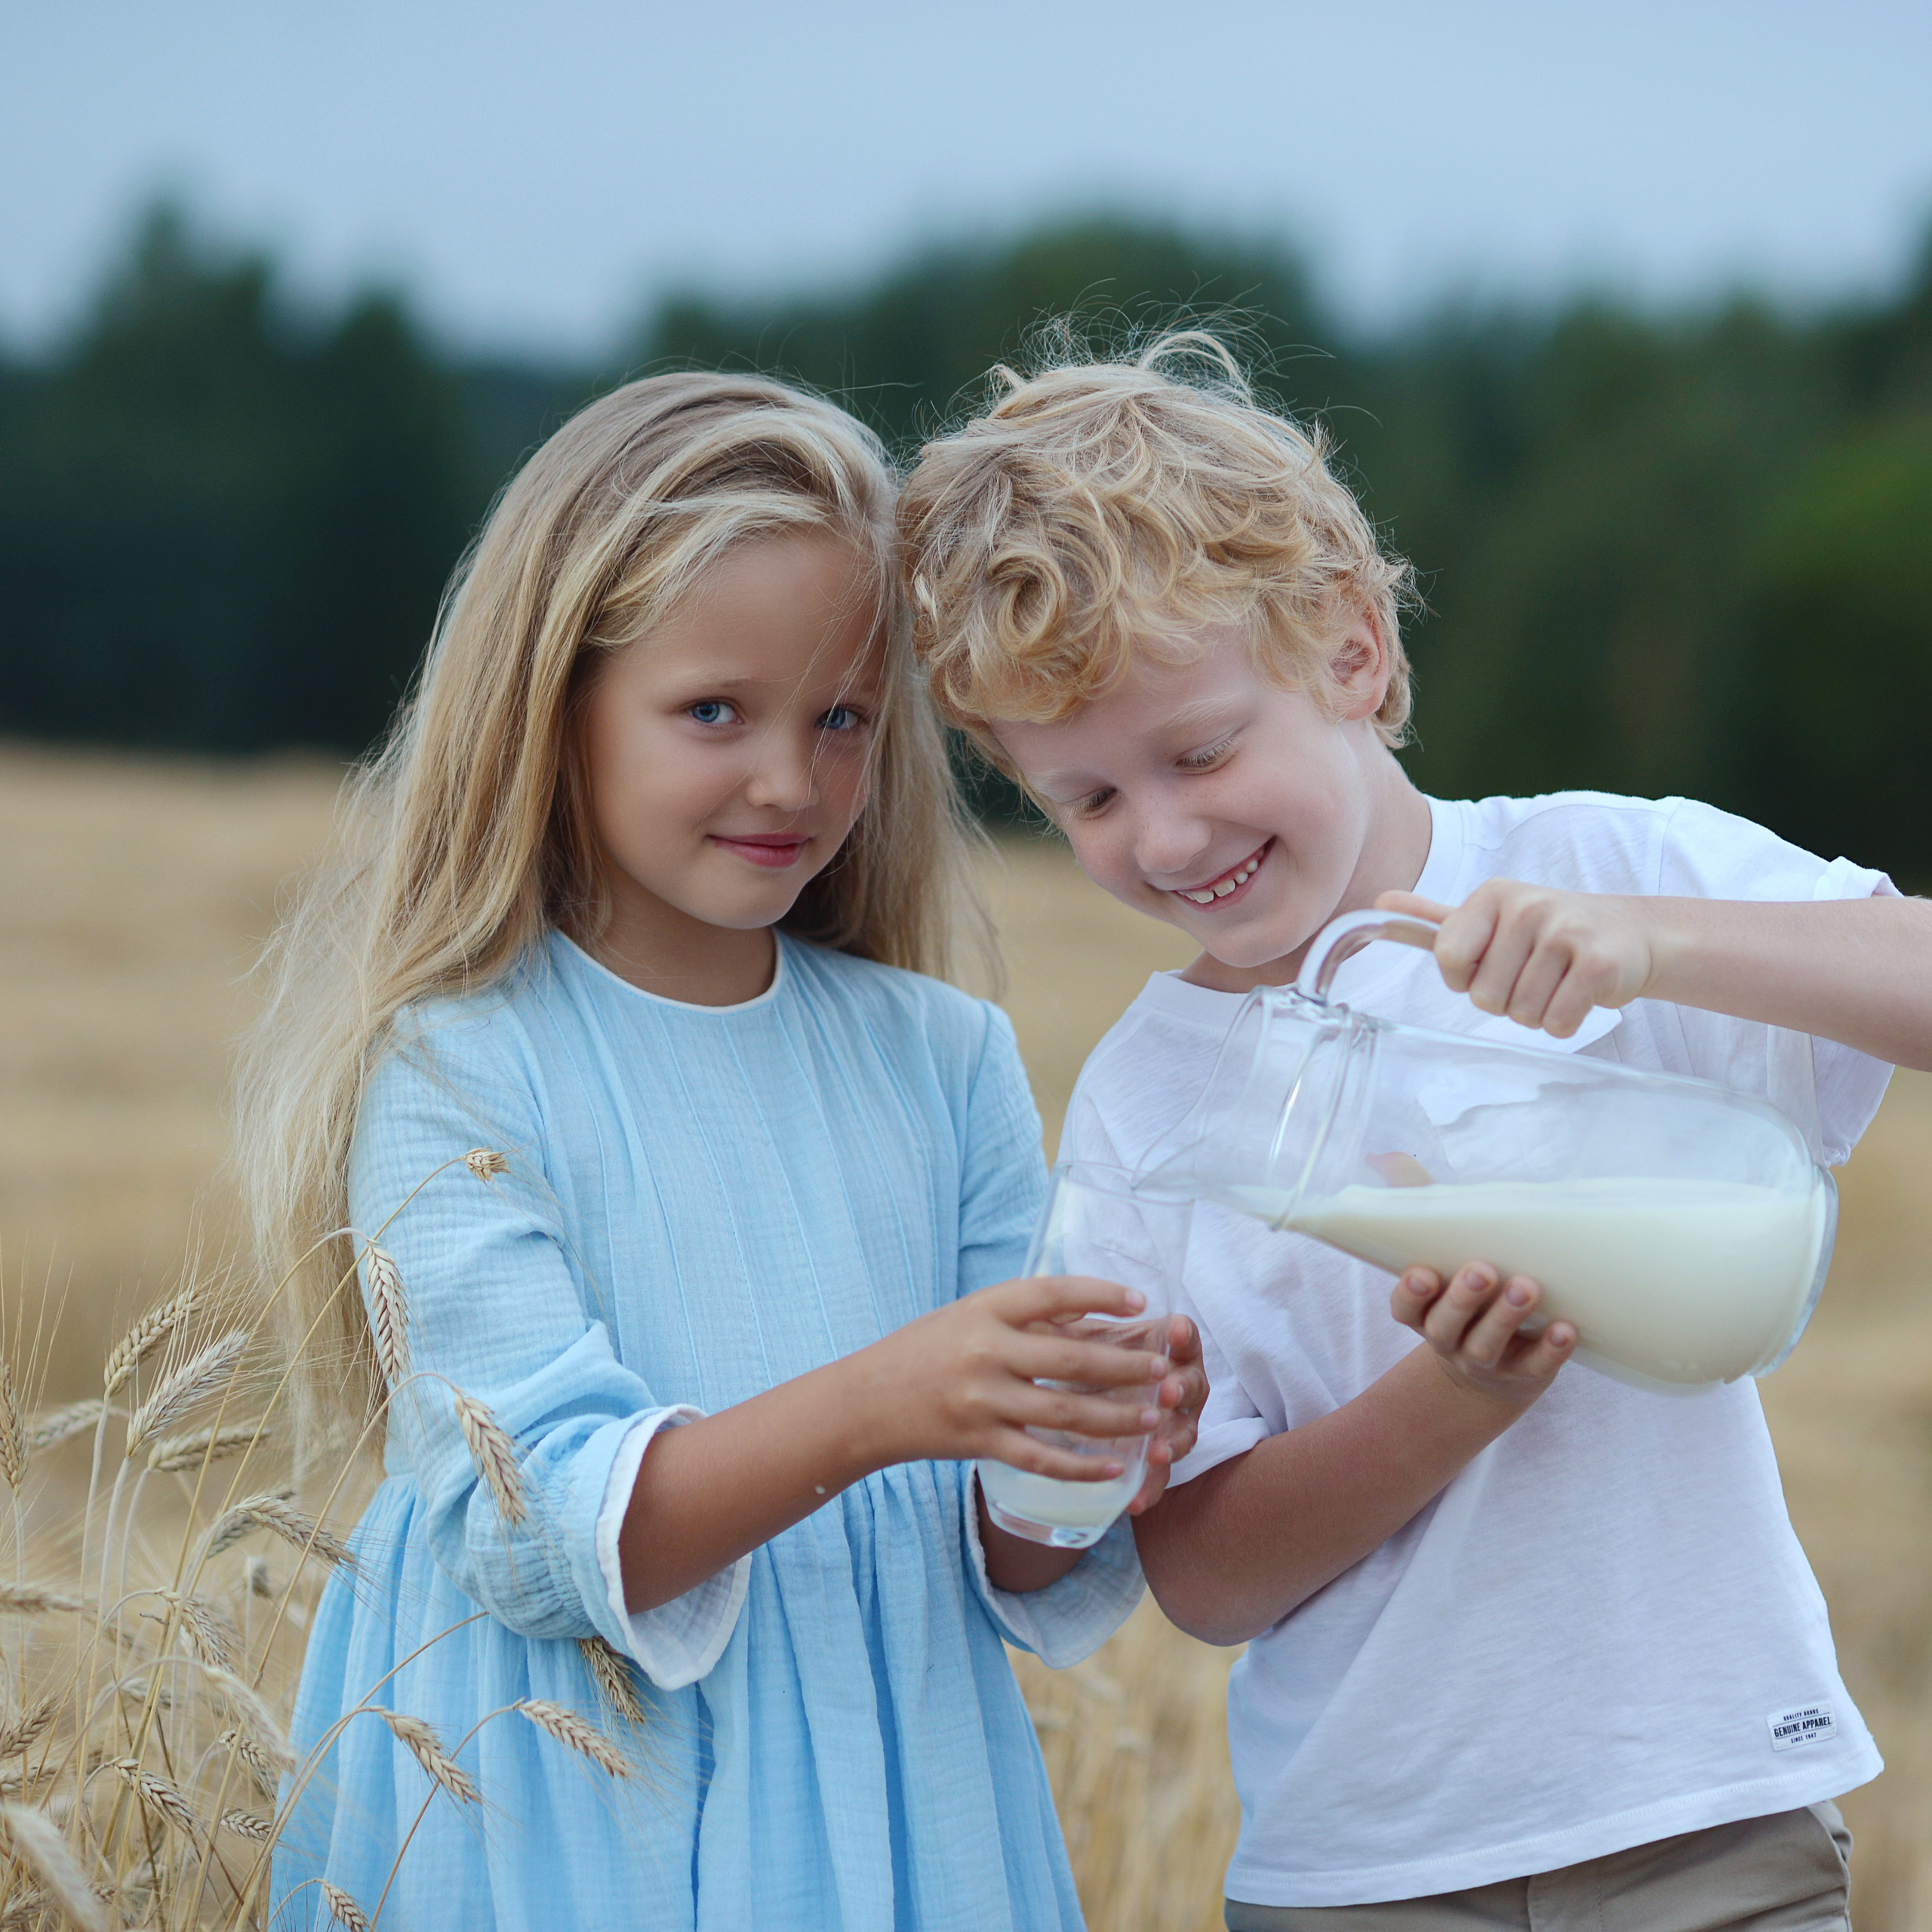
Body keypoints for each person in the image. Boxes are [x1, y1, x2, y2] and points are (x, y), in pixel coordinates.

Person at [897, 334, 1932, 1929]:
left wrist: (1658, 943)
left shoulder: (1600, 870)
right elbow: (1206, 1578)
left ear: (1353, 653)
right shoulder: (1150, 1103)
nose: (1163, 834)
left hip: (1704, 1818)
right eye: (1086, 799)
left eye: (1198, 749)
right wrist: (1449, 1396)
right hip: (1363, 1871)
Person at [240, 371, 1205, 1930]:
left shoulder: (941, 1059)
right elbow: (534, 1519)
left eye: (839, 721)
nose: (789, 779)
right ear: (554, 703)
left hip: (900, 1803)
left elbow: (1004, 1554)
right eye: (715, 713)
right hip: (559, 1812)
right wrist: (891, 1398)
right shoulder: (456, 1065)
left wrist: (1086, 1454)